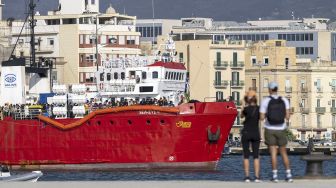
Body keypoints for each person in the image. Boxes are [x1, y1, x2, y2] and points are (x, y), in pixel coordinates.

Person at [260, 81, 293, 183]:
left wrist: (267, 115)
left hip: (270, 129)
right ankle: (288, 175)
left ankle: (275, 176)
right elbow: (287, 117)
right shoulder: (284, 100)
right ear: (277, 89)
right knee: (283, 152)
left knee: (273, 153)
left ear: (269, 89)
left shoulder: (265, 101)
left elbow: (261, 117)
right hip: (281, 128)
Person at [240, 90, 261, 182]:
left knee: (246, 156)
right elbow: (262, 118)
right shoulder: (259, 109)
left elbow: (241, 116)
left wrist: (243, 106)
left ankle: (247, 177)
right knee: (256, 156)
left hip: (246, 133)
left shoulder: (246, 109)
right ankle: (256, 177)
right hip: (255, 133)